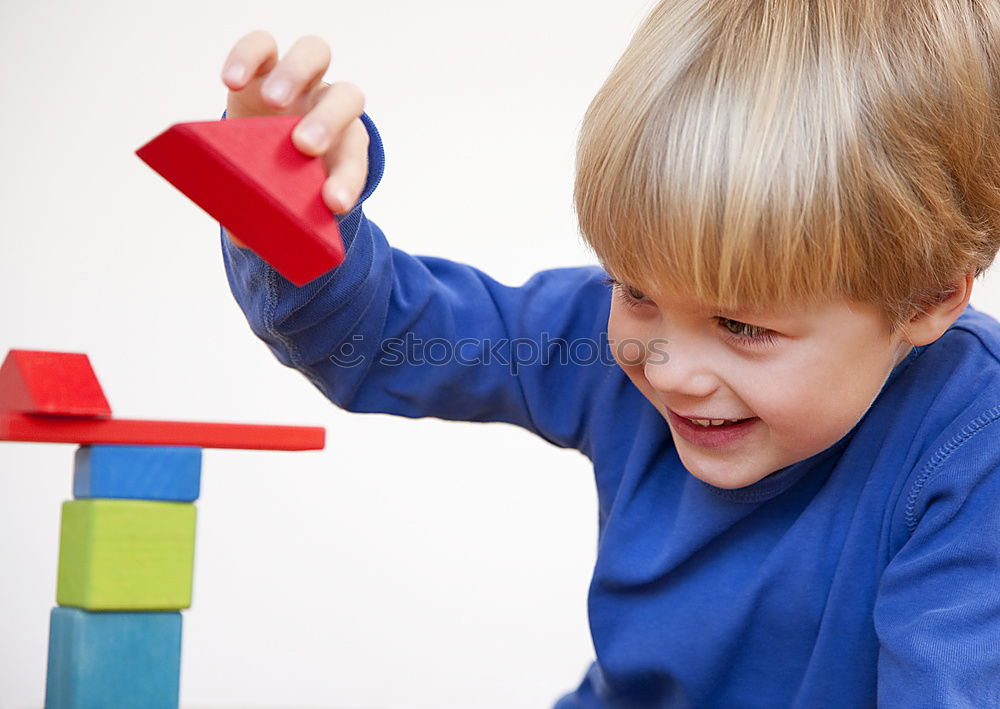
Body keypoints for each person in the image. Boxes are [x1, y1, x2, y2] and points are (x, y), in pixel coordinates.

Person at [216, 1, 1000, 705]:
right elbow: (380, 339)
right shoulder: (603, 338)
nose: (666, 367)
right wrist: (279, 202)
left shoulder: (976, 446)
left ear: (927, 297)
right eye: (636, 289)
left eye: (742, 326)